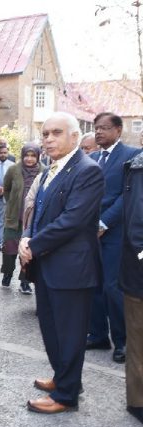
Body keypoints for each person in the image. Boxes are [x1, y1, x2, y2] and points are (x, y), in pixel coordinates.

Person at [19, 112, 105, 414]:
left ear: (74, 137)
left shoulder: (87, 170)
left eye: (56, 133)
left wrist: (33, 246)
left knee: (69, 335)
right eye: (45, 134)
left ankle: (66, 396)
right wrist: (26, 238)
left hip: (72, 269)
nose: (48, 139)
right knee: (51, 329)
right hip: (47, 265)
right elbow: (38, 212)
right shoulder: (50, 170)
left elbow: (72, 220)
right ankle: (65, 378)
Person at [86, 112, 141, 363]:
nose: (99, 132)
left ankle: (123, 341)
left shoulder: (132, 156)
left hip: (116, 233)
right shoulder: (92, 158)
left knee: (113, 287)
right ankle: (98, 334)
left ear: (118, 130)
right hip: (90, 233)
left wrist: (104, 222)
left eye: (105, 128)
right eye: (96, 128)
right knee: (93, 284)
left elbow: (127, 195)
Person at [1, 143, 44, 291]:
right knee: (9, 249)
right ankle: (7, 273)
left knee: (28, 250)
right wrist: (13, 204)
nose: (29, 159)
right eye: (27, 155)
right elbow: (6, 189)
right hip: (14, 218)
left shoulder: (45, 171)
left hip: (33, 220)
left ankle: (25, 280)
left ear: (38, 156)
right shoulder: (13, 169)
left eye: (33, 156)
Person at [120, 152, 143, 424]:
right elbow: (137, 232)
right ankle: (138, 402)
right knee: (138, 340)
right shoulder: (139, 171)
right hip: (138, 274)